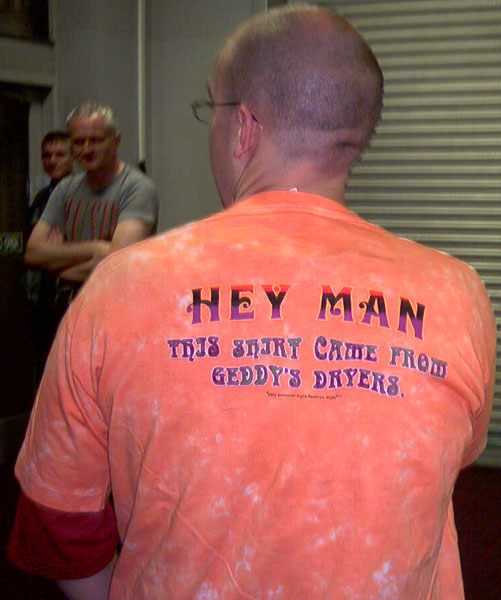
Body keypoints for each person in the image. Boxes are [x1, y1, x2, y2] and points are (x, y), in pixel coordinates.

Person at [8, 6, 495, 599]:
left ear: (243, 127)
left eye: (212, 110)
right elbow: (451, 459)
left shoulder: (119, 288)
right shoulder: (455, 294)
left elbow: (58, 520)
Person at [24, 101, 159, 294]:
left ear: (116, 141)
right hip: (74, 306)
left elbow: (116, 264)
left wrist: (59, 269)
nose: (87, 150)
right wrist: (97, 248)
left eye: (96, 141)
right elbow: (32, 254)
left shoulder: (136, 188)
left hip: (119, 304)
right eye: (79, 142)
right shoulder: (65, 189)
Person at [24, 131, 73, 381]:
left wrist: (55, 252)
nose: (52, 161)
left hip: (69, 297)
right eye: (47, 155)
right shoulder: (42, 198)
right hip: (39, 297)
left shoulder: (83, 195)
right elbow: (30, 247)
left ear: (73, 158)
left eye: (60, 155)